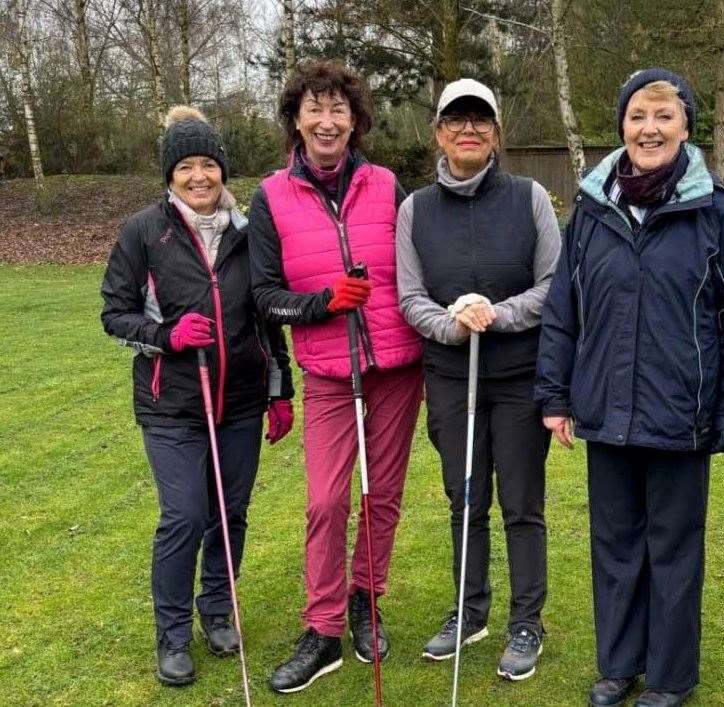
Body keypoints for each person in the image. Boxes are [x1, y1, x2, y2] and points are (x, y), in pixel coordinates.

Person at [536, 68, 724, 707]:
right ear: (622, 126)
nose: (650, 128)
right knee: (613, 546)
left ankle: (669, 677)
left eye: (664, 115)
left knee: (672, 551)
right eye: (639, 115)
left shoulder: (716, 212)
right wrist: (554, 395)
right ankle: (619, 665)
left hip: (680, 413)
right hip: (605, 408)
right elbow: (564, 308)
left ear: (686, 126)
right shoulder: (591, 208)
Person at [100, 106, 295, 687]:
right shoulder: (143, 231)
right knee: (185, 515)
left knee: (229, 514)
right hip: (173, 406)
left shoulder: (248, 231)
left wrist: (279, 390)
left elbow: (268, 313)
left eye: (208, 164)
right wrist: (167, 337)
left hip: (239, 400)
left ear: (223, 170)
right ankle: (172, 635)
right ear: (170, 175)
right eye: (185, 167)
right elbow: (114, 315)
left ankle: (217, 610)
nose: (199, 177)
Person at [246, 60, 423, 694]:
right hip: (326, 371)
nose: (327, 121)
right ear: (296, 120)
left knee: (383, 496)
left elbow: (416, 268)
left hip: (397, 368)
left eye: (338, 110)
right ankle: (321, 629)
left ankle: (365, 600)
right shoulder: (269, 197)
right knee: (326, 500)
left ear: (355, 119)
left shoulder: (386, 184)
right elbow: (264, 295)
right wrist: (322, 304)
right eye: (314, 110)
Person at [396, 78, 560, 681]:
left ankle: (526, 621)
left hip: (518, 378)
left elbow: (552, 285)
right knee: (465, 499)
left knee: (521, 503)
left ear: (496, 134)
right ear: (439, 133)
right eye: (456, 121)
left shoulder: (529, 197)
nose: (469, 130)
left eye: (480, 121)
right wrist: (451, 326)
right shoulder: (414, 209)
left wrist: (497, 315)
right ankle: (470, 611)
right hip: (449, 379)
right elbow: (409, 295)